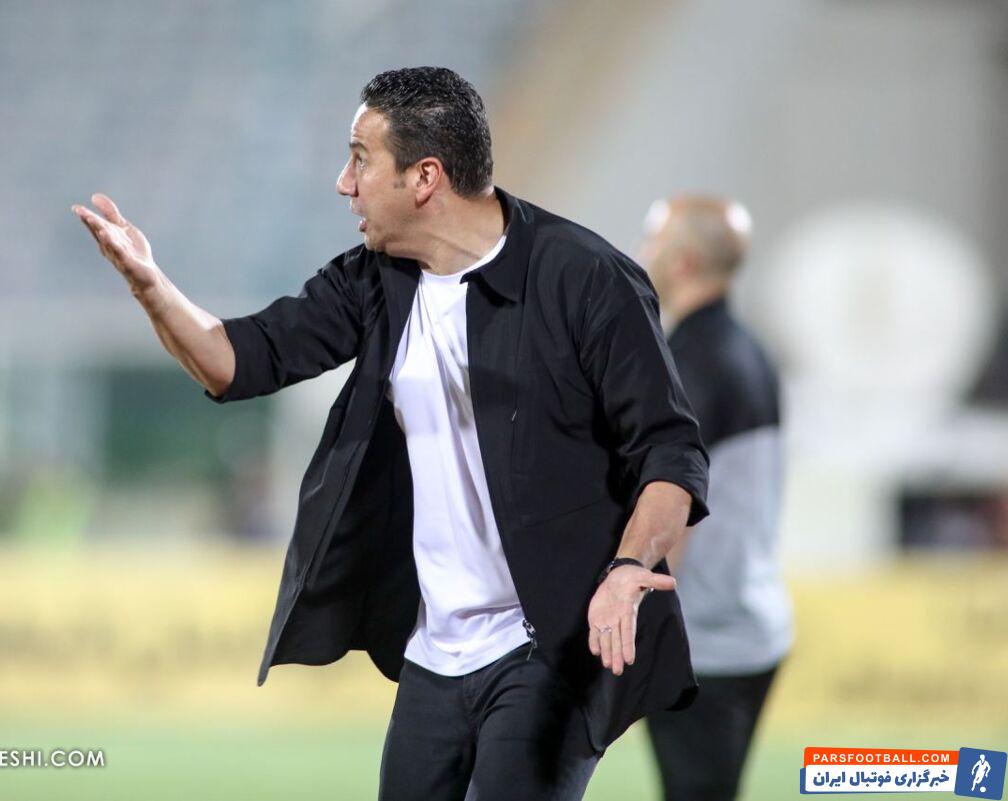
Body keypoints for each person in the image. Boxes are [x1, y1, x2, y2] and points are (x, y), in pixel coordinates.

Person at [74, 66, 709, 801]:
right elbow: (235, 361)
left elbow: (671, 452)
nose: (344, 184)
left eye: (360, 159)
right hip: (436, 656)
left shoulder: (586, 277)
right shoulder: (375, 278)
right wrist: (149, 285)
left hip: (554, 642)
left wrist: (628, 568)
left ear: (424, 178)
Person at [636, 195, 794, 801]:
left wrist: (636, 613)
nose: (642, 253)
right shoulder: (746, 350)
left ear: (683, 263)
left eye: (653, 241)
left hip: (707, 638)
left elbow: (673, 510)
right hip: (749, 622)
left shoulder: (692, 363)